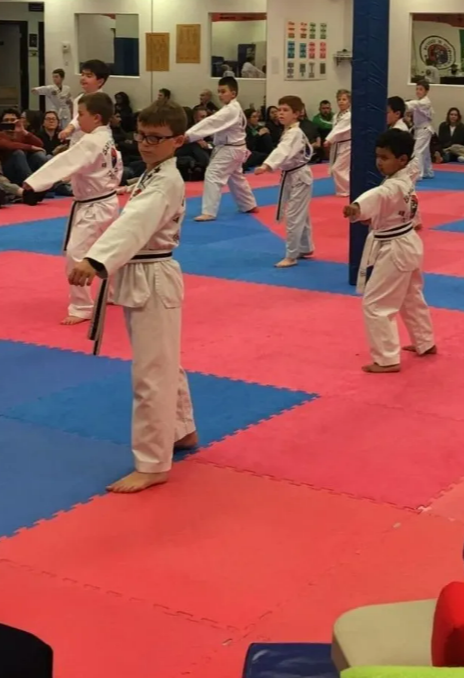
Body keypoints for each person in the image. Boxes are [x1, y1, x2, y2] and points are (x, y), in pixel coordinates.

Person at [69, 99, 197, 494]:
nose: (145, 144)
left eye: (155, 138)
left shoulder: (165, 181)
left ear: (177, 140)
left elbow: (135, 222)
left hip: (152, 276)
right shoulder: (155, 173)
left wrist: (95, 260)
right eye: (141, 136)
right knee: (164, 362)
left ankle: (153, 462)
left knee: (151, 373)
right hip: (144, 274)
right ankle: (181, 429)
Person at [22, 92, 124, 326]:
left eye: (81, 115)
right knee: (109, 250)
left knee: (76, 254)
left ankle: (82, 306)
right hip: (107, 201)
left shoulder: (90, 142)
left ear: (96, 117)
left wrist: (34, 182)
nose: (78, 119)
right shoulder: (106, 136)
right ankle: (115, 292)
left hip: (93, 206)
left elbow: (65, 161)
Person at [345, 128, 436, 374]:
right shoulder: (406, 178)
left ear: (402, 159)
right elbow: (391, 205)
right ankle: (425, 341)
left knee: (376, 303)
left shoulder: (393, 185)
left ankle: (386, 358)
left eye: (384, 157)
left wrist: (357, 207)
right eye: (377, 156)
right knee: (410, 297)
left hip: (395, 249)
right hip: (408, 242)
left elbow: (380, 195)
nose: (379, 162)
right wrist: (371, 217)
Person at [184, 76, 259, 222]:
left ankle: (209, 212)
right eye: (218, 91)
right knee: (236, 178)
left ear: (233, 93)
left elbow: (211, 122)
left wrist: (188, 135)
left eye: (223, 91)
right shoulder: (233, 108)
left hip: (230, 149)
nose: (220, 94)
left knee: (213, 175)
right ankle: (248, 204)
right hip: (236, 148)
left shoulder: (230, 110)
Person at [258, 96, 315, 268]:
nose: (280, 113)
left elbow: (282, 150)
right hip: (293, 175)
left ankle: (291, 256)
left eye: (285, 110)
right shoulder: (289, 131)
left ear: (296, 114)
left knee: (293, 216)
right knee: (301, 214)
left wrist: (267, 165)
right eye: (279, 110)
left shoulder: (294, 133)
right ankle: (305, 247)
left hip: (299, 177)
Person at [0, 109, 50, 185]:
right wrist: (31, 147)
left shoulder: (21, 134)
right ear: (2, 123)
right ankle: (32, 184)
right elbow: (9, 145)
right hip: (6, 170)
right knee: (18, 153)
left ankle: (48, 183)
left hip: (23, 169)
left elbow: (40, 144)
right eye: (6, 120)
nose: (9, 122)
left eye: (13, 120)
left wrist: (23, 131)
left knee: (39, 155)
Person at [61, 60, 110, 147]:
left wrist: (70, 128)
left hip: (94, 144)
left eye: (89, 76)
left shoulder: (101, 100)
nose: (83, 78)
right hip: (77, 142)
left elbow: (81, 118)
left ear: (100, 81)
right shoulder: (78, 98)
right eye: (82, 74)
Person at [325, 90, 352, 196]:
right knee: (338, 168)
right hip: (337, 144)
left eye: (344, 99)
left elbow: (339, 129)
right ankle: (343, 189)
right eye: (339, 99)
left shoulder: (349, 115)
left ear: (349, 101)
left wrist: (329, 139)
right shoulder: (336, 115)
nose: (341, 101)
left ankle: (346, 190)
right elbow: (335, 129)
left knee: (338, 168)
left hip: (346, 145)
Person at [406, 80, 435, 179]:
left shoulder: (425, 102)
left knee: (417, 151)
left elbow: (415, 104)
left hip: (424, 129)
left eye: (421, 89)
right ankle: (428, 171)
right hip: (420, 129)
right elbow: (413, 107)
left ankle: (418, 174)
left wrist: (403, 104)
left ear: (426, 91)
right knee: (425, 152)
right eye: (417, 89)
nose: (418, 91)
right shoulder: (419, 102)